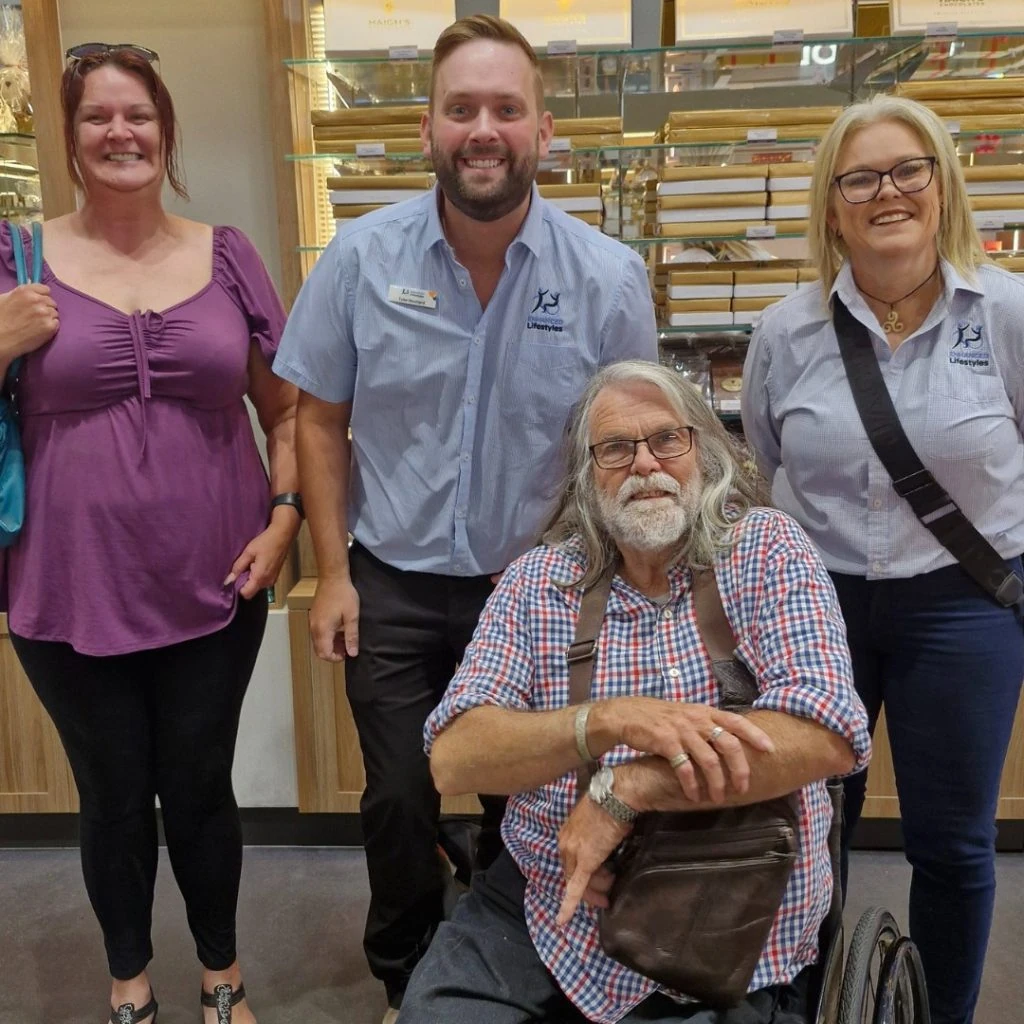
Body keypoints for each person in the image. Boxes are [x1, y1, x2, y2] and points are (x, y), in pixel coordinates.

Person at [272, 15, 657, 1022]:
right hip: (391, 581)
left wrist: (593, 580)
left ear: (541, 131)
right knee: (400, 797)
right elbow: (318, 419)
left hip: (534, 588)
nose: (481, 128)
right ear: (427, 129)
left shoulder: (606, 278)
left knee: (524, 796)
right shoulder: (360, 257)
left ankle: (522, 959)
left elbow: (629, 444)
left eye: (504, 109)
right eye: (460, 109)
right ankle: (405, 977)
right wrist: (334, 575)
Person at [396, 360, 871, 1024]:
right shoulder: (538, 582)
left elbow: (827, 734)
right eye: (616, 449)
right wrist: (606, 722)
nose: (645, 465)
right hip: (553, 911)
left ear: (703, 451)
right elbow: (454, 757)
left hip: (731, 914)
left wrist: (626, 790)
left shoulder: (766, 550)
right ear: (587, 479)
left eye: (666, 440)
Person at [0, 44, 299, 1024]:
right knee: (114, 794)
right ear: (71, 137)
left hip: (218, 576)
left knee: (202, 785)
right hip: (65, 581)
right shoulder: (15, 257)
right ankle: (130, 978)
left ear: (164, 130)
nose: (121, 133)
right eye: (98, 118)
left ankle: (222, 976)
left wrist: (287, 518)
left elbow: (290, 411)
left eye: (139, 115)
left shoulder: (228, 254)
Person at [741, 93, 1024, 1024]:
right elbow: (767, 467)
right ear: (831, 204)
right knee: (807, 827)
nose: (887, 192)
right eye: (860, 177)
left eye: (911, 169)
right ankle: (796, 1004)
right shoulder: (786, 333)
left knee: (952, 844)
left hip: (965, 608)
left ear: (944, 186)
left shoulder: (1011, 314)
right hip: (819, 609)